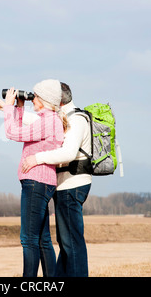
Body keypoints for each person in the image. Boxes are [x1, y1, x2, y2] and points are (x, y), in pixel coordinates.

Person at [0, 80, 67, 277]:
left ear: (45, 100)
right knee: (42, 240)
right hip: (43, 182)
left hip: (35, 182)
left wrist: (7, 107)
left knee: (28, 239)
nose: (32, 98)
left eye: (35, 96)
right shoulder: (49, 120)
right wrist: (18, 108)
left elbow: (12, 132)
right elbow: (23, 129)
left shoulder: (48, 121)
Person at [21, 82, 92, 277]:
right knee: (66, 241)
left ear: (57, 100)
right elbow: (38, 122)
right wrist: (10, 109)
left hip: (72, 184)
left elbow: (68, 153)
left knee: (72, 242)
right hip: (65, 185)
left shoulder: (76, 119)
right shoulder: (64, 117)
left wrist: (37, 158)